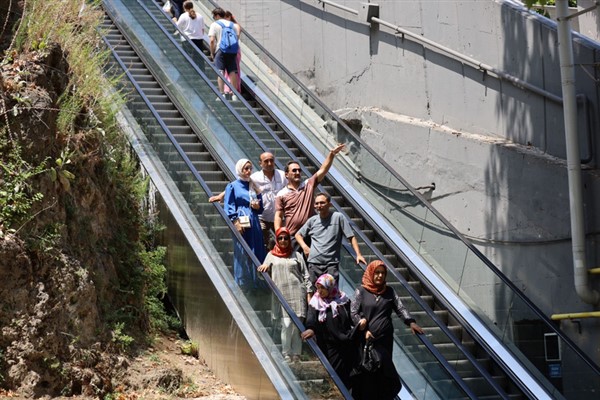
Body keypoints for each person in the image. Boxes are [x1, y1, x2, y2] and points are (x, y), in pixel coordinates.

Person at [351, 260, 424, 400]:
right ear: (371, 273)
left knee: (384, 373)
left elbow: (400, 308)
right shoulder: (361, 291)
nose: (379, 276)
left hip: (384, 340)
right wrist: (363, 329)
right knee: (367, 372)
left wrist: (411, 322)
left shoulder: (389, 291)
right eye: (377, 272)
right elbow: (353, 312)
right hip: (366, 340)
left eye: (382, 273)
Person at [210, 152, 287, 250]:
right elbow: (237, 186)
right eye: (266, 161)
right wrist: (221, 196)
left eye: (271, 160)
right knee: (262, 243)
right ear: (260, 163)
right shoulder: (255, 177)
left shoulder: (282, 175)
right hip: (262, 217)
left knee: (282, 242)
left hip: (279, 217)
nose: (269, 163)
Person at [258, 227, 311, 362]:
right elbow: (262, 274)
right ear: (276, 240)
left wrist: (309, 292)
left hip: (297, 293)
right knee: (286, 324)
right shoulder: (271, 255)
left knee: (297, 325)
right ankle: (286, 353)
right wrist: (262, 270)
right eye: (280, 238)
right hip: (281, 295)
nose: (283, 241)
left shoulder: (296, 255)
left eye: (286, 238)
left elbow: (305, 275)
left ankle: (296, 354)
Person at [296, 192, 366, 289]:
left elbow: (351, 237)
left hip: (331, 264)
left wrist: (358, 254)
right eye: (316, 203)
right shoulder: (312, 220)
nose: (319, 206)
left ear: (330, 204)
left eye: (322, 203)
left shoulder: (338, 217)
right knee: (313, 292)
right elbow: (298, 235)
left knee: (331, 293)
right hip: (314, 263)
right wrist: (304, 247)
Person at [301, 274, 359, 391]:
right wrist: (311, 328)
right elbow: (311, 318)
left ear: (330, 287)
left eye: (323, 288)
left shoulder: (343, 299)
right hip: (328, 345)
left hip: (345, 344)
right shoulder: (316, 301)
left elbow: (352, 316)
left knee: (346, 376)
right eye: (318, 287)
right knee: (331, 374)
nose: (320, 291)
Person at [274, 143, 346, 237]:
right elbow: (278, 216)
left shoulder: (308, 185)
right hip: (291, 236)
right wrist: (279, 234)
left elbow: (323, 170)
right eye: (294, 170)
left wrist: (331, 154)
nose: (297, 173)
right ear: (286, 174)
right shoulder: (281, 194)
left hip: (311, 234)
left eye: (299, 170)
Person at [224, 159, 265, 291]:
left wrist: (257, 205)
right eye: (245, 168)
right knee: (242, 250)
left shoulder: (253, 186)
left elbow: (261, 209)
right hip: (241, 221)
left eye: (250, 168)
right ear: (240, 170)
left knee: (256, 248)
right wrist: (235, 221)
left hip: (253, 221)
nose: (248, 171)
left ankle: (256, 281)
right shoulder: (233, 186)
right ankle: (242, 281)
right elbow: (229, 206)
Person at [208, 7, 241, 100]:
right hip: (232, 51)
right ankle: (235, 95)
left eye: (214, 16)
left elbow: (211, 40)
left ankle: (221, 94)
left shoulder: (214, 24)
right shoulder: (232, 25)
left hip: (221, 50)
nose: (214, 18)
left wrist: (212, 52)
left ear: (217, 15)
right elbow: (237, 37)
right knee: (232, 71)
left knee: (220, 71)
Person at [174, 1, 204, 69]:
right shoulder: (200, 16)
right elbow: (202, 29)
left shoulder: (183, 16)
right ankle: (202, 73)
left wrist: (175, 21)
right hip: (199, 40)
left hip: (187, 39)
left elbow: (178, 27)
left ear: (184, 7)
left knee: (188, 59)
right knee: (199, 59)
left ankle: (191, 72)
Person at [223, 11, 242, 99]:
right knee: (228, 70)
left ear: (230, 16)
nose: (225, 19)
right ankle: (228, 89)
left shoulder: (235, 25)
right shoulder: (233, 26)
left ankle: (233, 89)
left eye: (226, 17)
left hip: (233, 49)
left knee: (234, 69)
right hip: (230, 48)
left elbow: (237, 37)